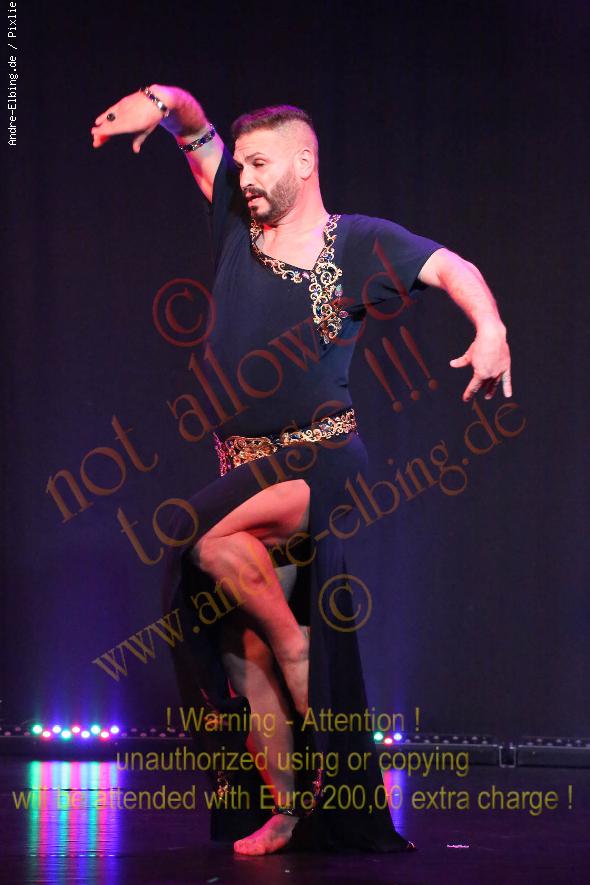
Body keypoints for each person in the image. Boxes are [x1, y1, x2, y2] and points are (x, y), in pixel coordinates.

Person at [91, 85, 512, 856]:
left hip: (320, 458)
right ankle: (289, 806)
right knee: (239, 641)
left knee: (193, 538)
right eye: (242, 165)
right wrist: (164, 100)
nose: (245, 176)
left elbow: (453, 267)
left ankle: (296, 648)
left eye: (260, 163)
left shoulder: (359, 243)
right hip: (243, 466)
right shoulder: (234, 225)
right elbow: (196, 130)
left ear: (305, 161)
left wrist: (490, 328)